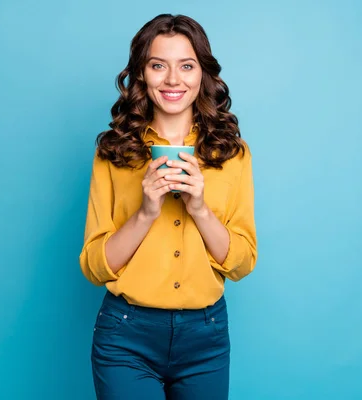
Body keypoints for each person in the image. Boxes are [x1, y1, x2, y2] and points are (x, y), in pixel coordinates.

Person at [78, 13, 257, 400]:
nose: (173, 80)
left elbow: (242, 263)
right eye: (159, 65)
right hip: (126, 335)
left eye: (187, 66)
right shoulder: (113, 152)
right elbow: (94, 265)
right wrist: (146, 212)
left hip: (205, 339)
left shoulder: (232, 154)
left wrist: (199, 208)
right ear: (142, 74)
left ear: (203, 74)